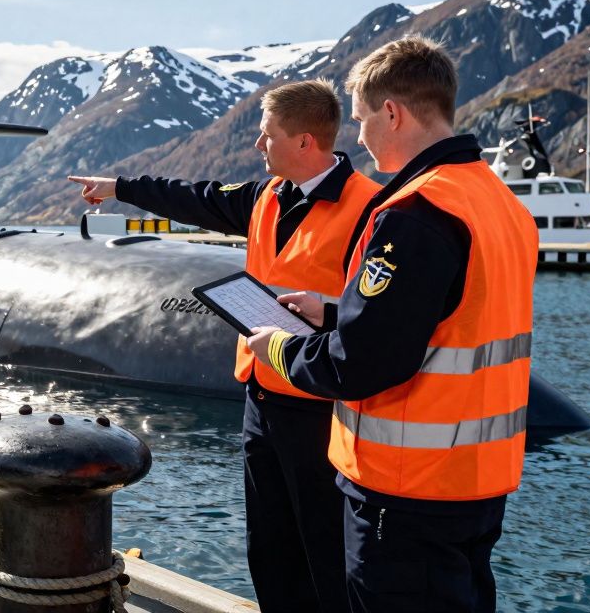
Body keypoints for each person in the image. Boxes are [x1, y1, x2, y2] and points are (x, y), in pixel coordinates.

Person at [247, 37, 537, 612]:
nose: (357, 137)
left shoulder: (416, 212)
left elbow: (360, 362)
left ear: (393, 113)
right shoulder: (499, 203)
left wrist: (278, 349)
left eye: (360, 120)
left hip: (408, 491)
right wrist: (333, 312)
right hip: (475, 480)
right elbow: (449, 317)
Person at [69, 79, 379, 613]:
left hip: (322, 404)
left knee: (326, 547)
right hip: (262, 393)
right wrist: (118, 186)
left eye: (267, 135)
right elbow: (194, 199)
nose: (258, 146)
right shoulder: (266, 196)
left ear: (306, 142)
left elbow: (371, 314)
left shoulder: (370, 208)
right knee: (271, 544)